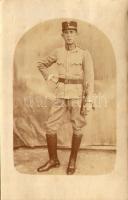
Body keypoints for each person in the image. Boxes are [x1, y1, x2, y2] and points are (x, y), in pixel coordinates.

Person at [37, 21, 94, 175]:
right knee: (50, 126)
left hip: (77, 96)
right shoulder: (58, 52)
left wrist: (88, 101)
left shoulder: (84, 54)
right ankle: (53, 160)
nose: (69, 36)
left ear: (76, 34)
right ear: (62, 35)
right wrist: (50, 76)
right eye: (66, 33)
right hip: (60, 95)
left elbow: (89, 79)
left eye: (72, 32)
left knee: (78, 127)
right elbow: (41, 64)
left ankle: (72, 161)